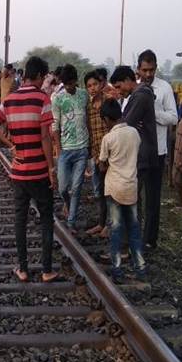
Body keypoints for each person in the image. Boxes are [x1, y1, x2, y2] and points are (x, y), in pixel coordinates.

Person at [0, 56, 59, 284]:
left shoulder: (10, 100)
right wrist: (51, 168)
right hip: (39, 171)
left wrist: (11, 145)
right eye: (43, 77)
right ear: (39, 75)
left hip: (18, 172)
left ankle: (24, 269)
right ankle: (46, 270)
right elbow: (45, 137)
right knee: (46, 219)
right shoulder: (42, 98)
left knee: (20, 220)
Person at [110, 66, 159, 249]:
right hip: (140, 154)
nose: (118, 91)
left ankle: (126, 246)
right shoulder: (139, 95)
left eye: (118, 86)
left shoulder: (140, 96)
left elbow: (125, 124)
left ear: (127, 80)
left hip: (140, 155)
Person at [99, 98, 146, 283]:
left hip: (114, 189)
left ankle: (117, 270)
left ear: (106, 119)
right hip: (131, 187)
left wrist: (105, 165)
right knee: (134, 229)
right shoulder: (134, 133)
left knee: (116, 230)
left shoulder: (108, 138)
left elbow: (102, 165)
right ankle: (140, 269)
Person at [136, 49, 178, 248]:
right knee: (133, 196)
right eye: (144, 70)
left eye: (151, 70)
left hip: (157, 151)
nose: (148, 74)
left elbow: (174, 117)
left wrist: (153, 113)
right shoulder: (135, 88)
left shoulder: (164, 88)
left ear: (156, 68)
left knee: (152, 199)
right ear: (138, 69)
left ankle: (149, 240)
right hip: (136, 151)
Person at [51, 64, 89, 231]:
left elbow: (88, 119)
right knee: (62, 188)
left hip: (82, 148)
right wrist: (58, 149)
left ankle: (71, 222)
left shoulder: (84, 95)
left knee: (76, 187)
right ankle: (67, 204)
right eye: (66, 84)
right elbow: (55, 125)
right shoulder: (58, 99)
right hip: (65, 149)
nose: (69, 87)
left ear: (76, 81)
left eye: (71, 83)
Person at [85, 70, 109, 235]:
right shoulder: (88, 106)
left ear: (101, 85)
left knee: (110, 191)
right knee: (100, 190)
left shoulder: (109, 102)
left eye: (95, 84)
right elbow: (89, 129)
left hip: (110, 153)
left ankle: (109, 225)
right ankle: (102, 223)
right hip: (97, 153)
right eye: (89, 86)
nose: (92, 88)